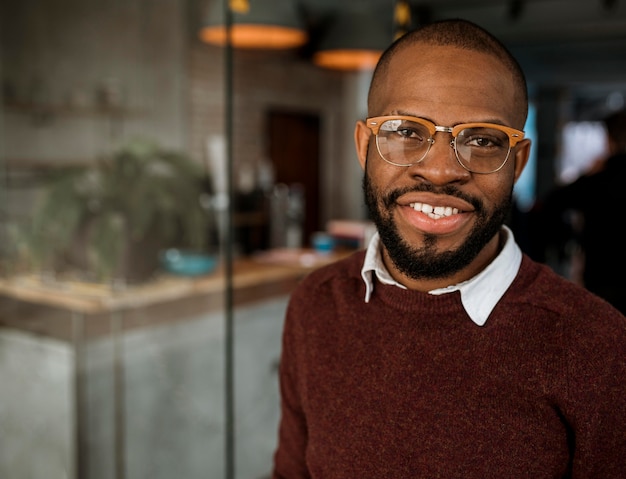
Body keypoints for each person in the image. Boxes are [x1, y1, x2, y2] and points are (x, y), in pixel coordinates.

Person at [271, 19, 626, 479]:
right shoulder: (316, 304)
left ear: (517, 163)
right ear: (364, 146)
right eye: (406, 131)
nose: (439, 171)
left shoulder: (599, 346)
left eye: (481, 140)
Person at [534, 109, 626, 315]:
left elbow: (553, 203)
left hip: (604, 273)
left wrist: (567, 241)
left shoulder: (599, 179)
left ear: (610, 140)